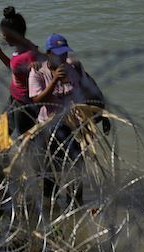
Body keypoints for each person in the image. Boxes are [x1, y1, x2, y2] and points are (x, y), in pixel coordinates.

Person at [28, 34, 107, 205]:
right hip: (50, 130)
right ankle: (52, 213)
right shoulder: (38, 73)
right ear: (48, 53)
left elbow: (90, 89)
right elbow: (38, 100)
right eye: (58, 54)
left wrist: (102, 113)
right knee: (51, 174)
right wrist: (55, 79)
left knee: (77, 166)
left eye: (64, 54)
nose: (62, 58)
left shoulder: (74, 67)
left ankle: (76, 208)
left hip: (76, 128)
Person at [0, 6, 42, 136]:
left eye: (5, 35)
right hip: (14, 97)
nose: (3, 38)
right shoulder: (24, 46)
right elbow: (15, 69)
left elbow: (39, 80)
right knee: (1, 134)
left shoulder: (30, 55)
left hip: (24, 105)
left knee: (25, 140)